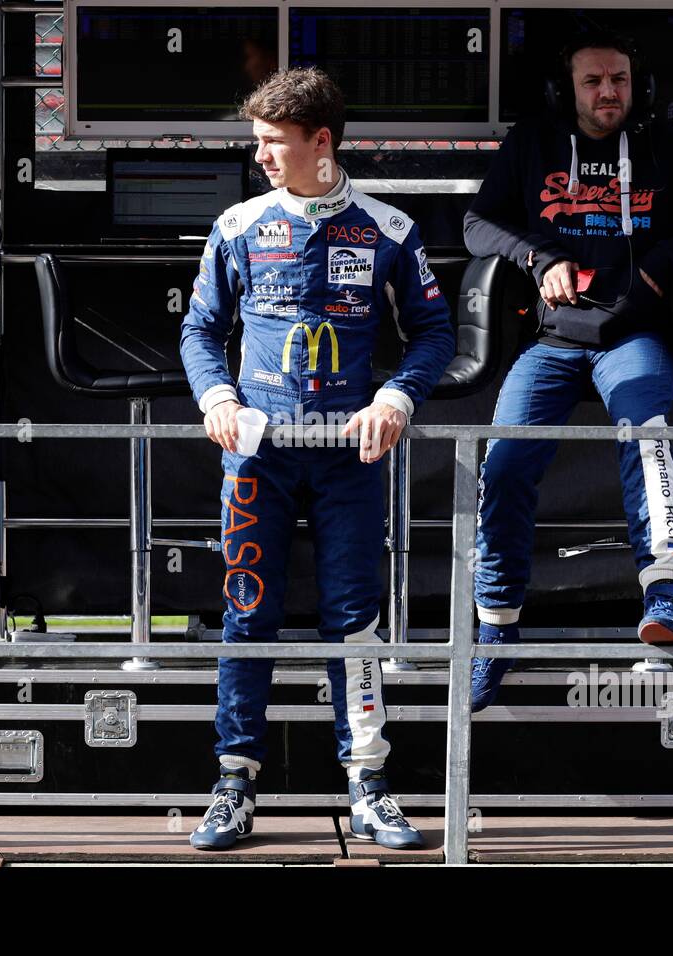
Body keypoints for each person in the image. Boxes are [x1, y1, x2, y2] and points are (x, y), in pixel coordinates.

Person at [179, 67, 455, 849]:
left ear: (320, 142)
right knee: (247, 615)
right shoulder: (237, 226)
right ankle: (233, 785)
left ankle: (369, 786)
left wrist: (396, 398)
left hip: (347, 458)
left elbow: (435, 334)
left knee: (353, 621)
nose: (261, 155)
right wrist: (217, 399)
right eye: (258, 141)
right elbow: (200, 330)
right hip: (257, 456)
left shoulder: (389, 229)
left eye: (273, 143)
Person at [464, 32, 673, 711]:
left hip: (633, 337)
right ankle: (497, 627)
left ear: (639, 85)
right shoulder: (533, 143)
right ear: (565, 90)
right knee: (505, 463)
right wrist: (540, 259)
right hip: (551, 343)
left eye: (620, 81)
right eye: (595, 81)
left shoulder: (668, 147)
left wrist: (662, 264)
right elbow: (478, 224)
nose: (609, 94)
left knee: (645, 438)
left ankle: (663, 597)